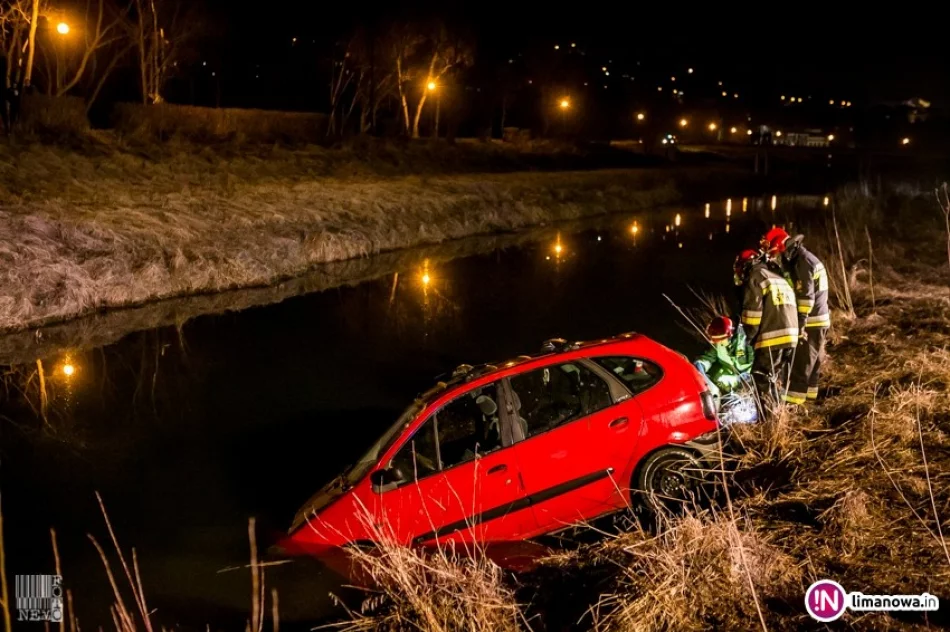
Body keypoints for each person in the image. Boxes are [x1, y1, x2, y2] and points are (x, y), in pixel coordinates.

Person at [762, 228, 831, 405]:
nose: (776, 256)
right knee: (813, 363)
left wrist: (800, 323)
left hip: (811, 322)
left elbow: (806, 296)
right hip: (818, 320)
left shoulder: (802, 262)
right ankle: (809, 401)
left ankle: (793, 406)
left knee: (800, 365)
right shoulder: (801, 258)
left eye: (776, 252)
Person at [734, 249, 799, 411]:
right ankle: (780, 415)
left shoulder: (755, 278)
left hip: (772, 338)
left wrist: (747, 339)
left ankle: (767, 421)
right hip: (791, 337)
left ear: (746, 265)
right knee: (776, 379)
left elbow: (753, 316)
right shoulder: (776, 278)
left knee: (760, 377)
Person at [694, 316, 753, 401]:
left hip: (748, 383)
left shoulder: (744, 343)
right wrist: (700, 366)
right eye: (715, 341)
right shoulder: (720, 343)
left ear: (729, 336)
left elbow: (745, 367)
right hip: (732, 383)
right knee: (716, 374)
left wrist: (738, 381)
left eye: (720, 340)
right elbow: (709, 357)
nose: (718, 343)